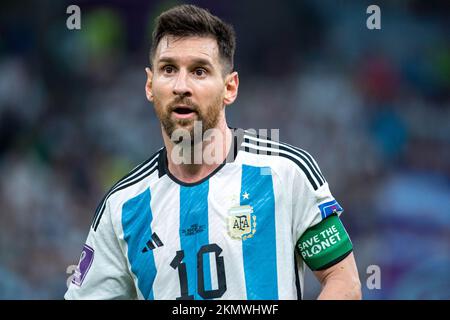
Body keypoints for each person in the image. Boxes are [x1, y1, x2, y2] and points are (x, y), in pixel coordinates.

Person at [65, 4, 361, 300]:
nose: (182, 85)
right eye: (169, 69)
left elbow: (343, 281)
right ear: (150, 85)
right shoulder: (122, 206)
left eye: (199, 71)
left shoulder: (286, 173)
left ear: (229, 88)